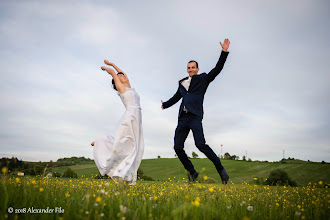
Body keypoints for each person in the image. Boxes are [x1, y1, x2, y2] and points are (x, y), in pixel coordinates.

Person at [161, 39, 230, 184]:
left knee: (201, 145)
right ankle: (192, 172)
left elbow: (217, 69)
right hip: (183, 118)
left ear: (197, 69)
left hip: (195, 117)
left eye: (193, 67)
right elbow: (176, 97)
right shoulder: (182, 83)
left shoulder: (203, 79)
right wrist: (165, 105)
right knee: (177, 147)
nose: (191, 69)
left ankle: (221, 170)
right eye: (188, 68)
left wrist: (224, 52)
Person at [91, 60, 144, 185]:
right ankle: (100, 142)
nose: (123, 75)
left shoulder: (129, 87)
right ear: (117, 81)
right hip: (129, 118)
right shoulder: (121, 88)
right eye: (120, 76)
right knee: (125, 145)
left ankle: (124, 174)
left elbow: (120, 72)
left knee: (133, 147)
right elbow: (113, 74)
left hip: (136, 119)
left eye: (123, 75)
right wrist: (107, 69)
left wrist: (112, 64)